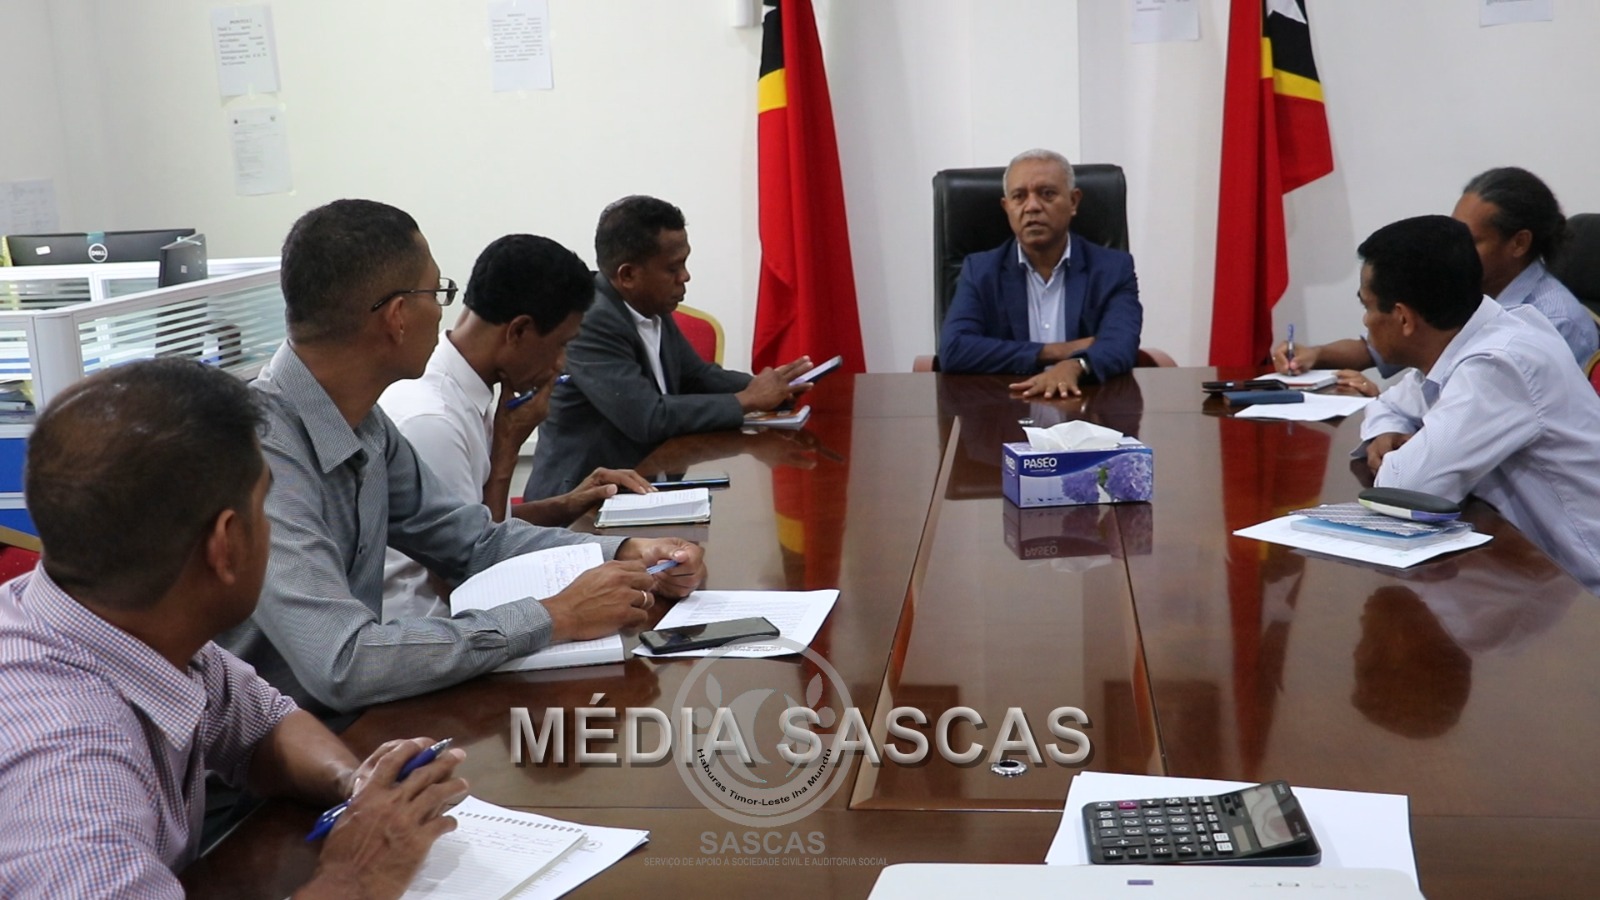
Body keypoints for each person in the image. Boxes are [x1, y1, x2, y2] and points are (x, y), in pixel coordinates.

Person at [220, 199, 705, 720]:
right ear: (397, 316)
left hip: (353, 724)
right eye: (437, 293)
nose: (443, 311)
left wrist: (626, 551)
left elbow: (473, 540)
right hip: (279, 756)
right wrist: (555, 616)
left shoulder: (365, 423)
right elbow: (345, 662)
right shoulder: (259, 454)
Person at [0, 359, 468, 899]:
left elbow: (263, 727)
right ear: (226, 544)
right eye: (264, 506)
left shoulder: (124, 621)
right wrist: (355, 878)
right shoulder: (69, 778)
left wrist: (356, 786)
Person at [378, 234, 653, 619]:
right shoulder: (433, 421)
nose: (561, 364)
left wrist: (568, 504)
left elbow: (483, 530)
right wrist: (506, 449)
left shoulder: (467, 387)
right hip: (438, 629)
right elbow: (469, 576)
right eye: (561, 344)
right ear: (518, 331)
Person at [1352, 215, 1600, 595]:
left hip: (1583, 593)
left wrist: (1400, 455)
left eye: (1368, 307)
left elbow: (1408, 490)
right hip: (1535, 572)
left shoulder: (1499, 363)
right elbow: (1389, 404)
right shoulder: (1470, 338)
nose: (1366, 321)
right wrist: (1387, 432)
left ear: (1403, 317)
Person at [524, 195, 812, 498]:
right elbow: (647, 418)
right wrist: (748, 400)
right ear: (628, 275)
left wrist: (771, 388)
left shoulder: (651, 306)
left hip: (646, 484)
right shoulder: (591, 321)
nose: (685, 276)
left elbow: (696, 376)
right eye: (673, 268)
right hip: (580, 502)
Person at [1275, 167, 1598, 391]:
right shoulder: (1463, 290)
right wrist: (1315, 354)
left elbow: (1493, 416)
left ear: (1519, 243)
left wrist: (1379, 405)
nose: (1454, 246)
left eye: (1470, 239)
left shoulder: (1555, 322)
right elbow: (1380, 346)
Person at [937, 148, 1143, 399]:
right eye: (1019, 197)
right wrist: (1055, 352)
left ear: (1073, 202)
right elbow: (954, 349)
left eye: (1047, 194)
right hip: (1006, 407)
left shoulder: (1113, 268)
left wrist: (1076, 365)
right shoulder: (980, 271)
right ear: (1007, 207)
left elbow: (1121, 342)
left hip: (1088, 406)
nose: (1032, 206)